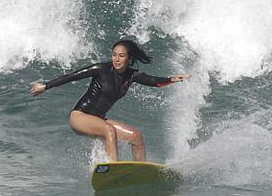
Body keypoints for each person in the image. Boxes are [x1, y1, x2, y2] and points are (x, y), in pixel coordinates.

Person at [29, 39, 189, 161]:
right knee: (109, 130)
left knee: (136, 136)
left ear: (129, 58)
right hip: (80, 117)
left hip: (98, 119)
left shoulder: (132, 75)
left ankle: (141, 171)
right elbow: (72, 76)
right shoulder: (102, 69)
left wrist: (172, 79)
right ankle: (113, 167)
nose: (117, 59)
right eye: (114, 55)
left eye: (121, 56)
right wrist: (45, 86)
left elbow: (153, 81)